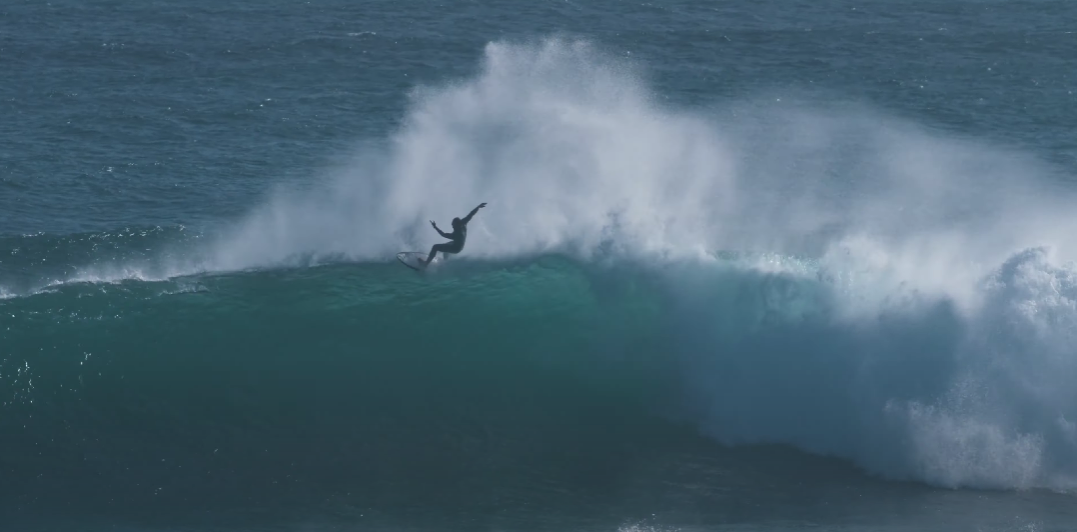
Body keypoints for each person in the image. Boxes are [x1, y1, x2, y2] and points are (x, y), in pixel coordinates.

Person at [420, 202, 487, 267]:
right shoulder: (463, 222)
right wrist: (478, 207)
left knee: (435, 247)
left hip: (455, 248)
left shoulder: (456, 234)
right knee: (446, 245)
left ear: (457, 225)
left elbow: (443, 234)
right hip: (459, 245)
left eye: (453, 225)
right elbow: (471, 214)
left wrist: (435, 227)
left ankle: (425, 264)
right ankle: (445, 261)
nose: (452, 227)